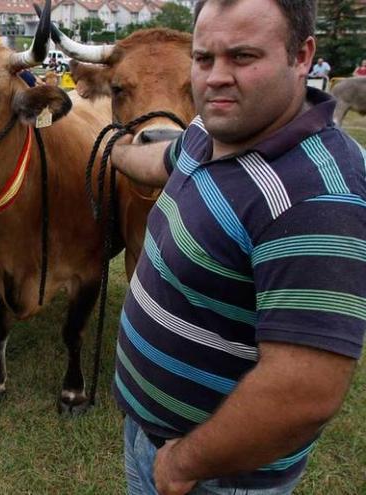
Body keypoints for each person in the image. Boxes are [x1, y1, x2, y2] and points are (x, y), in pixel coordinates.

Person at [107, 0, 365, 493]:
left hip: (214, 474)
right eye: (203, 59)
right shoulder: (211, 130)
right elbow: (163, 161)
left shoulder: (316, 197)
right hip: (149, 435)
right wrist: (116, 149)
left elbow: (302, 394)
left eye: (242, 57)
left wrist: (183, 465)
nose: (215, 78)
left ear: (302, 55)